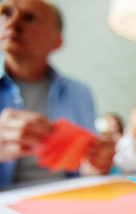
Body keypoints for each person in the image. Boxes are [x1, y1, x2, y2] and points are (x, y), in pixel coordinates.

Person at [0, 0, 115, 189]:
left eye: (29, 18)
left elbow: (85, 166)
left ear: (57, 41)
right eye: (5, 13)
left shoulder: (79, 93)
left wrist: (97, 163)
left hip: (66, 197)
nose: (12, 24)